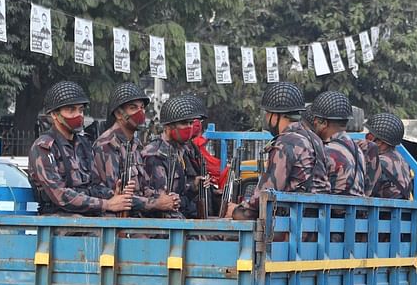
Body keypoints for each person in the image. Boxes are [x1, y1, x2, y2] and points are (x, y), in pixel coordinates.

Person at [28, 81, 133, 215]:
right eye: (71, 110)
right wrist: (107, 204)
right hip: (57, 219)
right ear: (54, 114)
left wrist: (114, 195)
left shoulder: (84, 144)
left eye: (81, 110)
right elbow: (59, 195)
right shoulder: (44, 147)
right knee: (101, 232)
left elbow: (95, 185)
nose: (78, 115)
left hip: (87, 214)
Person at [230, 83, 330, 220]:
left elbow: (266, 193)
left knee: (237, 218)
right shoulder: (314, 139)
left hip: (294, 225)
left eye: (268, 114)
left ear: (277, 116)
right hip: (319, 222)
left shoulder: (286, 142)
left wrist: (237, 210)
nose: (266, 119)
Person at [92, 82, 178, 216]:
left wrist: (164, 198)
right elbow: (113, 194)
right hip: (116, 217)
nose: (140, 112)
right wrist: (154, 203)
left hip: (138, 213)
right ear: (119, 114)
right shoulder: (106, 145)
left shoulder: (135, 144)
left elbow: (144, 188)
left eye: (142, 108)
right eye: (133, 108)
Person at [142, 95, 206, 218]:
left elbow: (180, 191)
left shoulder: (183, 149)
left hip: (181, 215)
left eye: (190, 123)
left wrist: (194, 186)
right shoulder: (155, 154)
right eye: (183, 123)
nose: (189, 127)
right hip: (163, 223)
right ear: (168, 127)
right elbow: (165, 201)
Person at [310, 91, 365, 196]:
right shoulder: (358, 150)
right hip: (355, 210)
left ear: (324, 123)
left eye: (316, 120)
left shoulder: (327, 151)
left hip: (333, 210)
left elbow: (315, 191)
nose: (314, 124)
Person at [359, 113, 411, 199]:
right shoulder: (403, 161)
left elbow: (364, 193)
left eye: (369, 136)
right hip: (397, 211)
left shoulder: (378, 162)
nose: (366, 140)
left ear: (379, 142)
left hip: (379, 211)